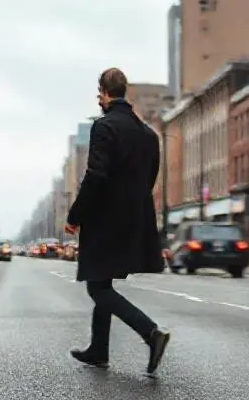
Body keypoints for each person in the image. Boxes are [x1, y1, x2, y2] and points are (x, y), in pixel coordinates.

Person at [65, 67, 171, 376]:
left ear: (105, 92)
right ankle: (99, 349)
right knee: (103, 280)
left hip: (105, 219)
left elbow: (96, 175)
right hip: (134, 217)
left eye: (99, 92)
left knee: (97, 289)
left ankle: (151, 333)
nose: (98, 98)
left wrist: (76, 216)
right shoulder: (148, 134)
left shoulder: (104, 127)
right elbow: (151, 177)